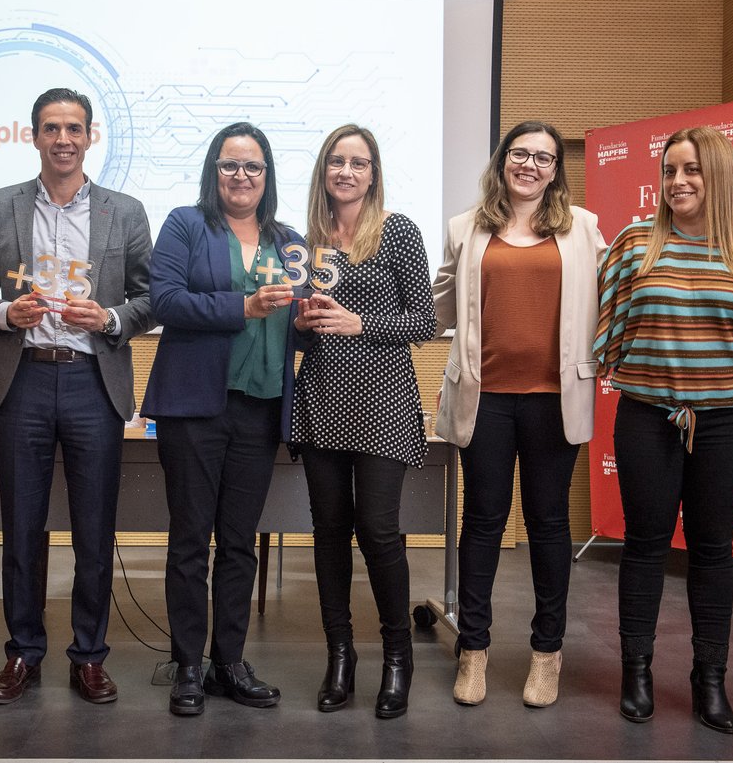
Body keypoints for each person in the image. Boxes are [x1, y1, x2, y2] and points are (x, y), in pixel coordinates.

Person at [593, 126, 733, 733]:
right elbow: (604, 322)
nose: (676, 182)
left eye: (691, 170)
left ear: (720, 176)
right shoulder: (635, 243)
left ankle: (710, 680)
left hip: (725, 421)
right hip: (646, 417)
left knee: (712, 551)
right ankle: (636, 672)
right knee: (645, 545)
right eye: (669, 171)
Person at [0, 87, 154, 706]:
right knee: (22, 526)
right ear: (35, 136)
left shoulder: (125, 211)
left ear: (90, 136)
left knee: (94, 530)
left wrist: (110, 318)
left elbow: (151, 298)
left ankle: (89, 656)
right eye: (51, 128)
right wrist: (4, 314)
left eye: (74, 128)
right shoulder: (3, 204)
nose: (63, 139)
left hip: (93, 381)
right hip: (24, 378)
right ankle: (22, 651)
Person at [432, 121, 607, 709]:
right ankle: (473, 650)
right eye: (520, 153)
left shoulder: (583, 229)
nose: (530, 164)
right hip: (484, 399)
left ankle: (547, 654)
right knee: (483, 522)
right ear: (503, 160)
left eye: (543, 158)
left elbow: (615, 296)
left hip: (555, 400)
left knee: (548, 524)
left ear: (556, 170)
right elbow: (437, 309)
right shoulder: (465, 228)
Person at [141, 122, 301, 717]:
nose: (241, 176)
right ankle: (188, 664)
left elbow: (297, 323)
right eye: (230, 165)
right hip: (194, 408)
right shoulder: (186, 224)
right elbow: (165, 300)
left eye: (253, 166)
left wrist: (308, 319)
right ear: (214, 171)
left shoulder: (289, 241)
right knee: (190, 541)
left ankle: (229, 662)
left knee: (239, 543)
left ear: (267, 175)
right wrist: (243, 306)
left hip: (260, 408)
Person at [291, 124, 437, 719]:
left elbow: (424, 322)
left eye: (358, 162)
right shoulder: (305, 242)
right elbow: (298, 332)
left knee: (378, 531)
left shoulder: (398, 231)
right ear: (323, 170)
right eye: (337, 161)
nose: (346, 172)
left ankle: (398, 656)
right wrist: (299, 325)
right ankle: (340, 655)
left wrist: (360, 324)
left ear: (373, 173)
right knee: (328, 531)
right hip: (321, 397)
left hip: (383, 404)